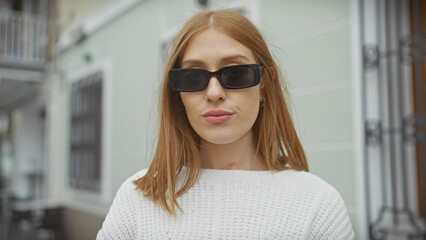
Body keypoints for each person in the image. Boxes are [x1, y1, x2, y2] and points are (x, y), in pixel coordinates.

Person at [97, 9, 355, 239]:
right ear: (177, 93)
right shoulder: (137, 200)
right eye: (193, 76)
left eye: (235, 73)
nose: (213, 92)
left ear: (265, 84)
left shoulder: (317, 206)